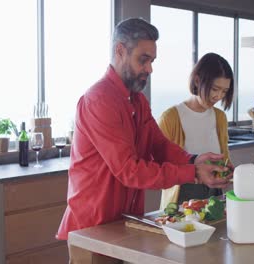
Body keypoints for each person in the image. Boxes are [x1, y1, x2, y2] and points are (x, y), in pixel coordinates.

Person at [56, 18, 231, 263]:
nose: (149, 68)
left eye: (152, 61)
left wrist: (194, 159)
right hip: (93, 228)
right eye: (143, 59)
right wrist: (193, 172)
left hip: (123, 223)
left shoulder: (137, 100)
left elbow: (158, 145)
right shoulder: (99, 100)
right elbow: (129, 171)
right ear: (120, 51)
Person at [159, 52, 235, 210]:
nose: (218, 96)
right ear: (197, 80)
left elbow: (224, 155)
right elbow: (160, 165)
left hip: (214, 192)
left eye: (224, 91)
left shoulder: (220, 117)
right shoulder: (171, 117)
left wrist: (228, 170)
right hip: (182, 195)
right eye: (215, 88)